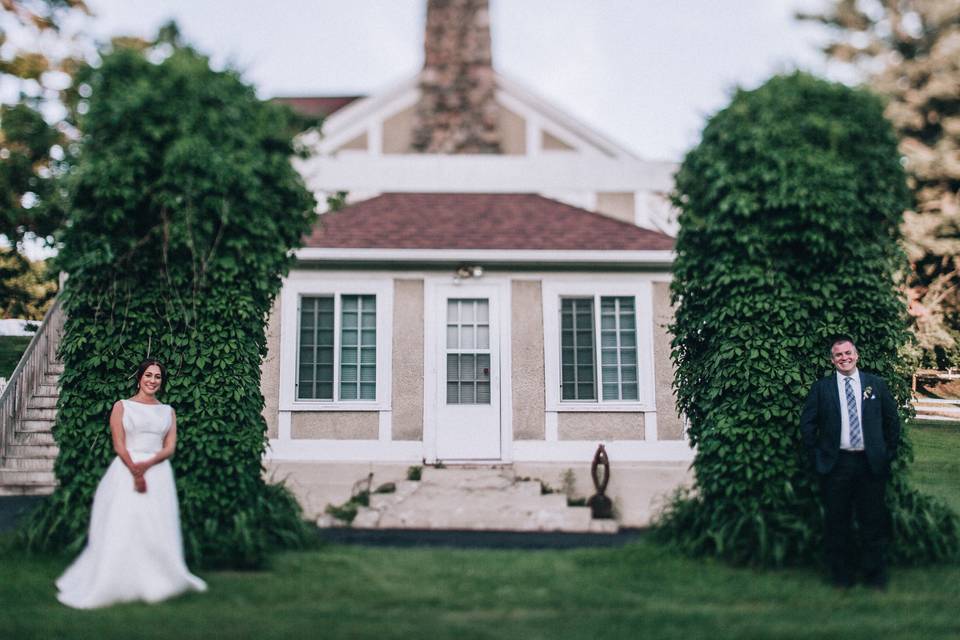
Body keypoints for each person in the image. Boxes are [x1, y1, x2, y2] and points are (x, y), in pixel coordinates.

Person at [56, 359, 207, 608]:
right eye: (148, 375)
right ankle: (114, 579)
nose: (152, 380)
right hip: (125, 469)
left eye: (158, 377)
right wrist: (136, 472)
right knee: (123, 523)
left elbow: (169, 447)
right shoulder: (122, 406)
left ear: (162, 381)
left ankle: (156, 579)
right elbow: (119, 444)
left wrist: (147, 466)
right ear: (139, 377)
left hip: (158, 473)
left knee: (156, 525)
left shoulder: (167, 411)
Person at [800, 336, 900, 589]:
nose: (844, 358)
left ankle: (874, 576)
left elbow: (892, 422)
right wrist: (817, 456)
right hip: (837, 465)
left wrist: (886, 453)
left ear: (856, 355)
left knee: (872, 521)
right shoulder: (822, 388)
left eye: (848, 353)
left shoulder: (875, 385)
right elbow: (808, 425)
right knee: (837, 522)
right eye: (838, 355)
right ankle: (842, 577)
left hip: (870, 464)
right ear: (832, 360)